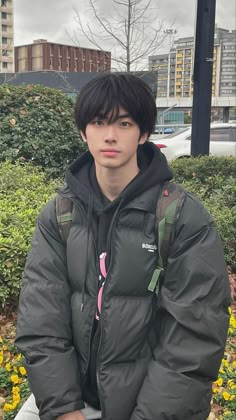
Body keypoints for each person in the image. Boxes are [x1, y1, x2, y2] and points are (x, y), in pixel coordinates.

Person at [15, 73, 230, 420]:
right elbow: (41, 320)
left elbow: (193, 338)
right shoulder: (60, 214)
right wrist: (63, 408)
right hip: (73, 402)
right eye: (99, 122)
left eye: (124, 123)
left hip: (150, 406)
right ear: (84, 131)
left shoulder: (181, 217)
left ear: (143, 134)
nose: (110, 135)